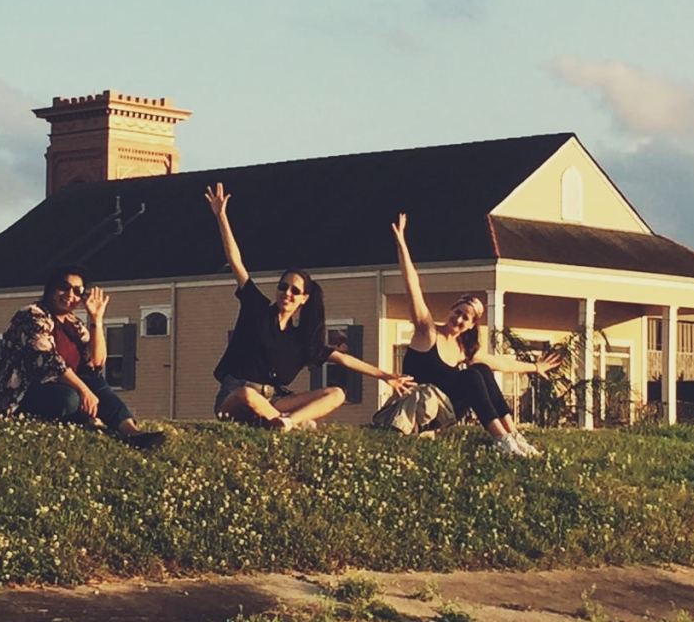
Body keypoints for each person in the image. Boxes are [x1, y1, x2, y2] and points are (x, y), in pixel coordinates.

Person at [206, 183, 413, 430]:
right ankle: (280, 422)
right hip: (236, 397)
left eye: (295, 291)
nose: (287, 294)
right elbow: (236, 262)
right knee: (248, 396)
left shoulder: (300, 340)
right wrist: (221, 216)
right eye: (283, 287)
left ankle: (285, 423)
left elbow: (344, 360)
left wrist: (385, 376)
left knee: (336, 393)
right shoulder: (256, 309)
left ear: (304, 298)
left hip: (276, 400)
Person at [392, 213, 558, 457]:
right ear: (451, 310)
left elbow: (500, 363)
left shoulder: (463, 349)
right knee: (471, 375)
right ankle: (501, 440)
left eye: (466, 318)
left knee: (481, 370)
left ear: (471, 325)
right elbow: (412, 287)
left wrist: (535, 368)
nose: (459, 320)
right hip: (422, 407)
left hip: (446, 411)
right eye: (458, 313)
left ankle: (513, 436)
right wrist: (402, 244)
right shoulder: (427, 333)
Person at [0, 265, 166, 450]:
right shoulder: (31, 315)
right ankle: (86, 420)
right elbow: (47, 360)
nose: (69, 295)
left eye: (77, 291)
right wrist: (84, 390)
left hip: (66, 388)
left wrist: (96, 320)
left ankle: (132, 433)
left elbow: (96, 363)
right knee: (70, 398)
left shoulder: (75, 324)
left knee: (96, 383)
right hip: (25, 393)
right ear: (50, 288)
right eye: (63, 287)